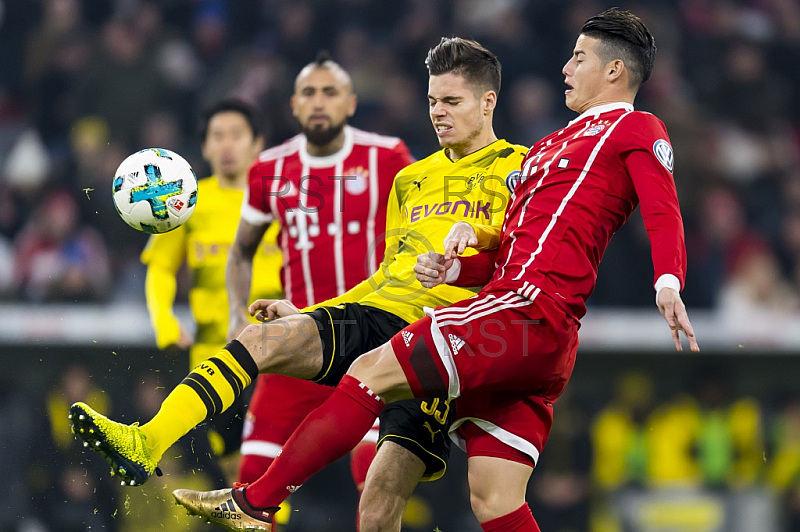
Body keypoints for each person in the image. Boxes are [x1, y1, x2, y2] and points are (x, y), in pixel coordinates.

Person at [167, 9, 699, 532]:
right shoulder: (545, 150)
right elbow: (513, 248)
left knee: (369, 373)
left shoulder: (633, 127)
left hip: (528, 310)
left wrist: (668, 279)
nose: (566, 67)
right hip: (531, 334)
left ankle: (256, 500)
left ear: (614, 71)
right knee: (494, 499)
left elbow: (662, 205)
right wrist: (459, 260)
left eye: (579, 58)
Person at [70, 38, 527, 530]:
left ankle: (216, 478)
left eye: (452, 102)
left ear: (488, 101)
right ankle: (148, 444)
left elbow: (528, 261)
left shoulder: (523, 168)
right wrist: (310, 312)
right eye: (433, 100)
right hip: (383, 318)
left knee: (386, 499)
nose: (438, 112)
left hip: (443, 339)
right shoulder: (412, 178)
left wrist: (477, 241)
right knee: (268, 348)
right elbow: (386, 274)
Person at [141, 100, 281, 474]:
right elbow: (160, 269)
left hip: (278, 357)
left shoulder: (283, 202)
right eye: (217, 136)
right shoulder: (185, 204)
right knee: (237, 469)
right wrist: (164, 322)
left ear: (258, 143)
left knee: (272, 462)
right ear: (204, 147)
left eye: (237, 135)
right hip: (213, 359)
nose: (227, 145)